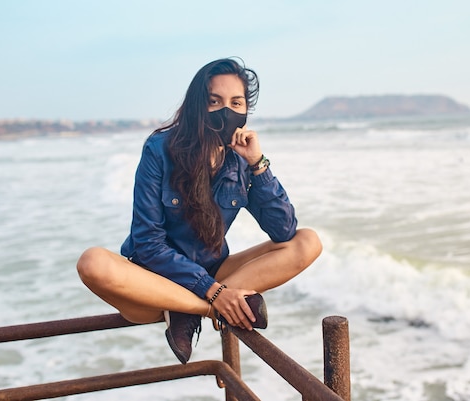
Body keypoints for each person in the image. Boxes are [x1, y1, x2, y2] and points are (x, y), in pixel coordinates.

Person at [76, 58, 322, 364]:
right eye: (214, 101)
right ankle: (204, 309)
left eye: (236, 102)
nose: (226, 111)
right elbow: (147, 243)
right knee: (93, 262)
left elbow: (283, 231)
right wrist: (215, 295)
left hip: (215, 275)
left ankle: (192, 309)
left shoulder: (241, 161)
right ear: (197, 106)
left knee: (308, 241)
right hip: (154, 284)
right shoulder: (159, 149)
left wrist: (258, 163)